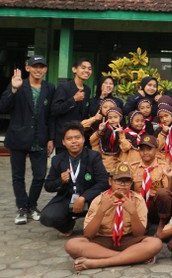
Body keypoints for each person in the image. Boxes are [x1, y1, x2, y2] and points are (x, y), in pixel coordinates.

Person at [64, 163, 163, 271]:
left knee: (155, 243)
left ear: (131, 183)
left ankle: (98, 262)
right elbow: (88, 234)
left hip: (128, 239)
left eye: (127, 181)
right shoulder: (99, 200)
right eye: (118, 180)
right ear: (110, 181)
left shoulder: (137, 200)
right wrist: (101, 211)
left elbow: (138, 234)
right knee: (72, 244)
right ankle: (131, 257)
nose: (122, 184)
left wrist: (133, 213)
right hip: (102, 241)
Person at [0, 56, 55, 224]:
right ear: (28, 68)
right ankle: (22, 208)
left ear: (46, 69)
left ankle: (32, 206)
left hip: (40, 139)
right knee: (18, 176)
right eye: (35, 66)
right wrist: (13, 90)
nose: (38, 70)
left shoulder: (49, 88)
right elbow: (3, 107)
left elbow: (51, 116)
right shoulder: (18, 84)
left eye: (42, 67)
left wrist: (51, 138)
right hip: (18, 137)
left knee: (39, 176)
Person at [41, 121, 109, 235]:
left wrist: (83, 198)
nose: (74, 141)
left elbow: (103, 183)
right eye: (69, 139)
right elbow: (48, 186)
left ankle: (96, 227)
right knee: (47, 217)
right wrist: (60, 180)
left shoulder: (94, 156)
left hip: (91, 198)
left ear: (83, 139)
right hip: (67, 198)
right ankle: (68, 226)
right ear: (63, 142)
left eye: (77, 137)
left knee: (107, 211)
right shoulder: (57, 159)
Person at [129, 135, 172, 234]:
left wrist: (170, 178)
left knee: (163, 193)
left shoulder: (163, 166)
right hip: (138, 204)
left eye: (149, 149)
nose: (145, 152)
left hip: (155, 204)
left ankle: (162, 222)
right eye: (142, 149)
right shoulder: (133, 167)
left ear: (156, 150)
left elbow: (168, 191)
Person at [51, 57, 92, 153]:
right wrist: (73, 100)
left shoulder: (87, 89)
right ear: (74, 69)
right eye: (83, 67)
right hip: (65, 137)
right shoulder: (64, 87)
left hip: (79, 138)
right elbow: (55, 110)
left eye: (89, 69)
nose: (87, 71)